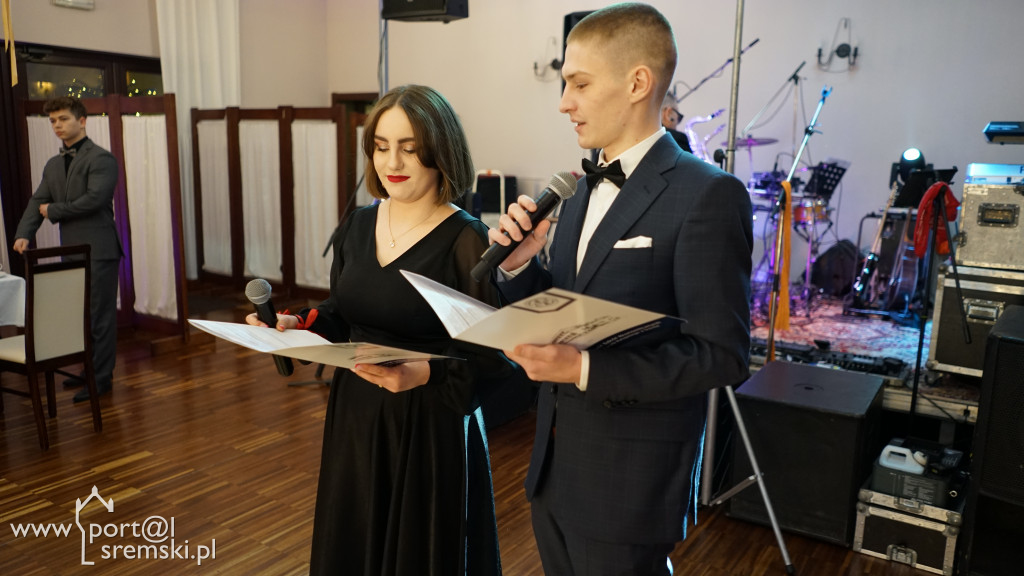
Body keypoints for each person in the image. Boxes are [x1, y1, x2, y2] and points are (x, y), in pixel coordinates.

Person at [486, 4, 753, 575]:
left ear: (637, 83)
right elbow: (564, 306)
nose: (564, 102)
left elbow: (722, 355)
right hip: (553, 469)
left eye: (579, 84)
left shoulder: (708, 194)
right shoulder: (578, 189)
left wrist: (584, 368)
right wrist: (520, 268)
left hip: (630, 484)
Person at [246, 84, 508, 576]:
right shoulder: (358, 225)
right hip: (356, 416)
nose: (393, 162)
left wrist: (423, 374)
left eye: (410, 148)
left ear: (441, 152)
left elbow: (495, 361)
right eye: (382, 147)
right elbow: (341, 313)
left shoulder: (467, 239)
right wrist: (298, 325)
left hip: (429, 426)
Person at [13, 96, 122, 404]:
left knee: (100, 317)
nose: (57, 125)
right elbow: (38, 201)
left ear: (82, 121)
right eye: (53, 121)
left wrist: (55, 210)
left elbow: (95, 200)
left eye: (63, 119)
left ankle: (101, 379)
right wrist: (24, 233)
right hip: (71, 250)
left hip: (99, 250)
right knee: (80, 317)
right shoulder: (53, 164)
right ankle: (87, 370)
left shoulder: (102, 159)